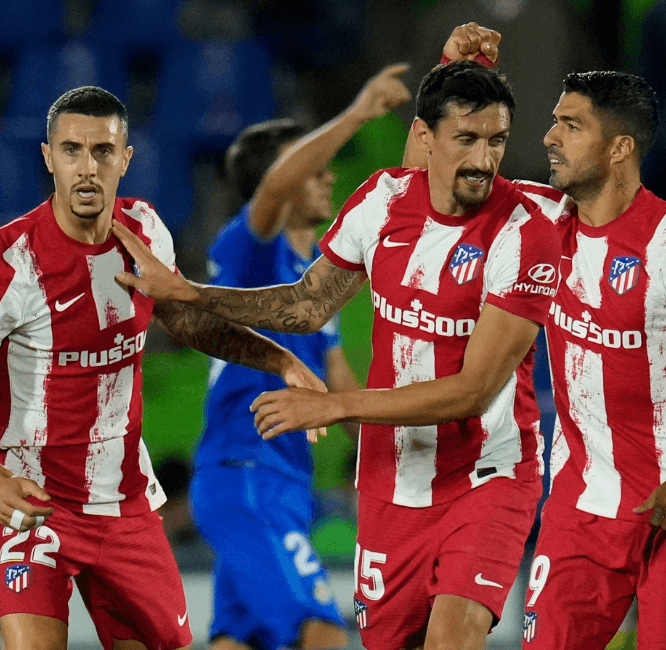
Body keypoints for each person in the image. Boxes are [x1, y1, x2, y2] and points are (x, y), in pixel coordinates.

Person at [111, 56, 563, 650]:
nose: (483, 158)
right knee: (306, 634)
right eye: (467, 139)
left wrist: (338, 410)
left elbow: (469, 389)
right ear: (427, 138)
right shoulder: (267, 242)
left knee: (295, 637)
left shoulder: (524, 230)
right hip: (290, 473)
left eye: (497, 140)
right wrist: (193, 293)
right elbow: (302, 289)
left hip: (482, 473)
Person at [0, 86, 326, 650]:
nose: (87, 168)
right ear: (47, 157)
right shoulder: (6, 265)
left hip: (125, 508)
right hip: (32, 502)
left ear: (126, 158)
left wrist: (278, 358)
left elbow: (186, 324)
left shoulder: (146, 234)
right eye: (71, 150)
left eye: (103, 152)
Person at [486, 54, 666, 650]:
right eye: (554, 121)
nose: (549, 137)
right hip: (581, 507)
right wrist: (452, 73)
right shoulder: (538, 218)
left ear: (619, 148)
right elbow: (429, 173)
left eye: (571, 124)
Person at [191, 64, 409, 650]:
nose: (328, 175)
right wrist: (357, 114)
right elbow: (273, 189)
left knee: (234, 640)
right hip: (248, 476)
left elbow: (340, 386)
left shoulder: (313, 287)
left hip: (282, 482)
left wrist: (401, 449)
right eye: (311, 167)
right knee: (322, 630)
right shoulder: (247, 254)